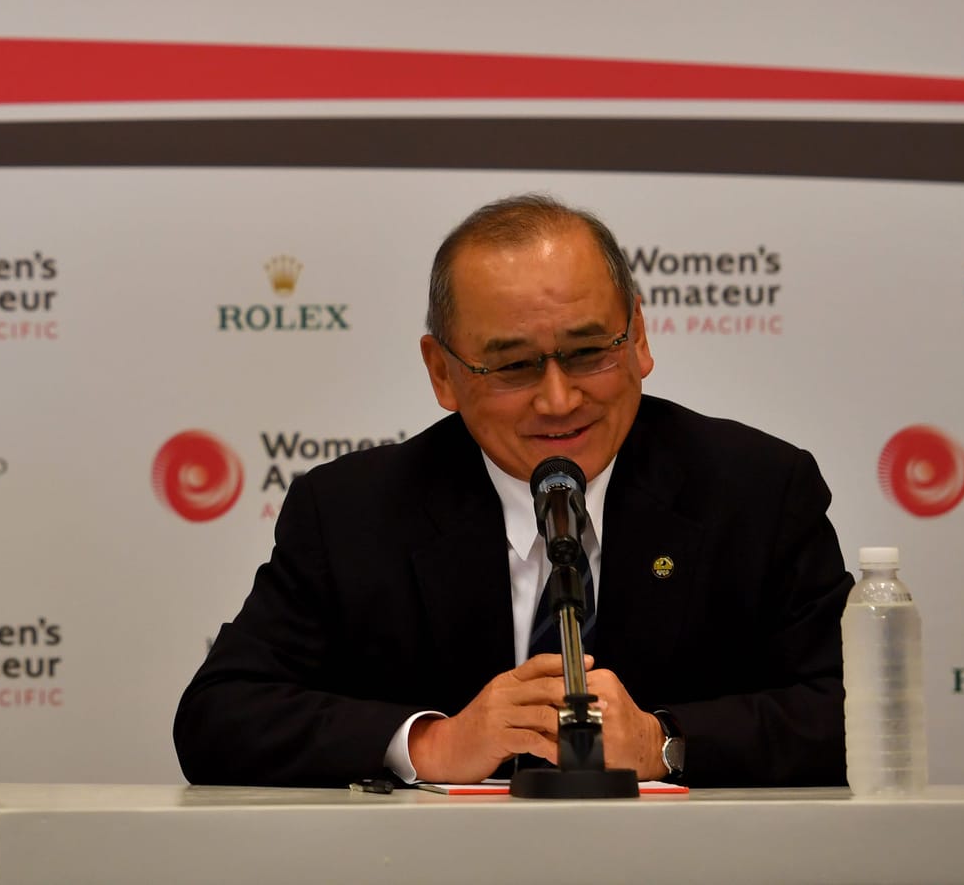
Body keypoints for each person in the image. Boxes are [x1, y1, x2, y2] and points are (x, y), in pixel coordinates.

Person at [174, 193, 851, 788]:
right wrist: (432, 743)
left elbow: (854, 711)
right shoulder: (351, 513)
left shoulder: (757, 491)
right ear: (443, 373)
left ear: (639, 337)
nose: (559, 400)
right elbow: (220, 715)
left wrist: (662, 743)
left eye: (589, 353)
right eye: (513, 367)